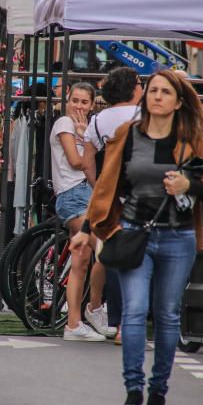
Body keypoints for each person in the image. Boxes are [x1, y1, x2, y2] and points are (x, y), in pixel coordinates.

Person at [74, 70, 203, 405]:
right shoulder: (128, 135)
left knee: (169, 315)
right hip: (135, 233)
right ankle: (133, 389)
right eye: (152, 90)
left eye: (165, 92)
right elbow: (107, 184)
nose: (157, 96)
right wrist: (86, 227)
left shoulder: (190, 137)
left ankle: (159, 389)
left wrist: (190, 184)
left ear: (178, 101)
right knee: (135, 312)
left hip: (179, 236)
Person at [81, 66, 145, 342]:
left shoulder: (97, 120)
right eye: (140, 83)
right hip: (144, 195)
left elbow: (86, 163)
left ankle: (119, 324)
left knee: (117, 260)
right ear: (132, 88)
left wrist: (101, 190)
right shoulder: (146, 116)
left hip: (113, 199)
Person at [50, 82, 108, 342]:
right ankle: (94, 308)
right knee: (105, 248)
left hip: (85, 195)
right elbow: (77, 162)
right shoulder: (64, 123)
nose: (79, 106)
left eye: (85, 102)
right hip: (72, 197)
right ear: (67, 100)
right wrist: (85, 138)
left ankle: (74, 324)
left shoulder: (87, 128)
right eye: (75, 100)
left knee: (82, 260)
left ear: (93, 104)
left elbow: (90, 170)